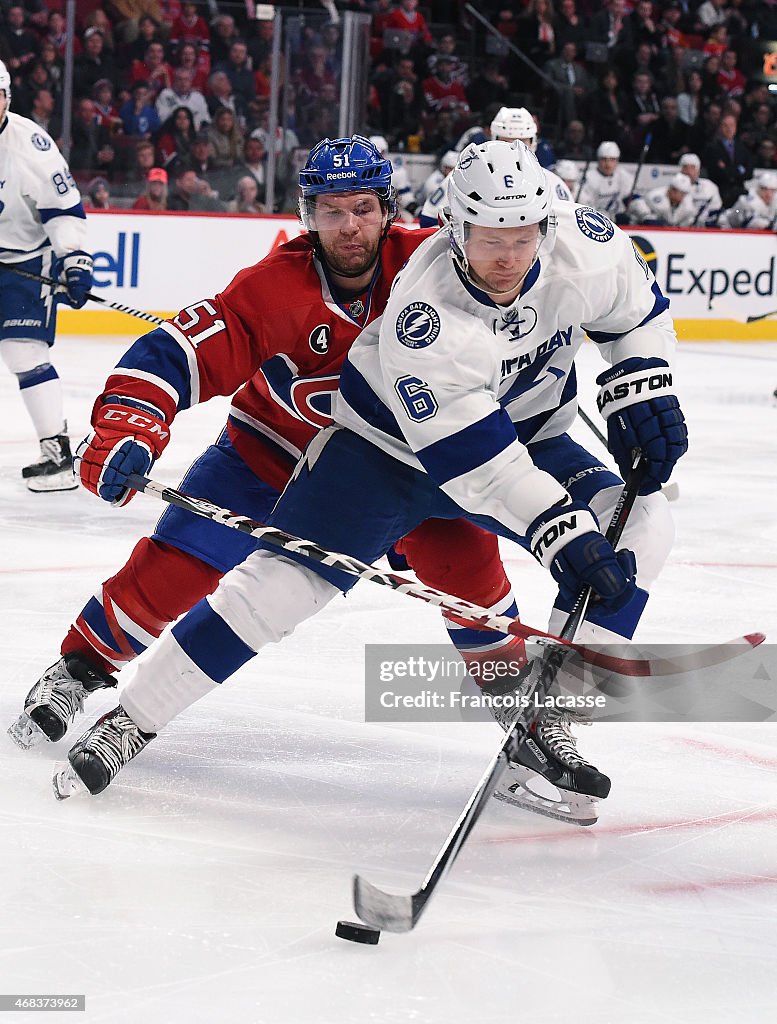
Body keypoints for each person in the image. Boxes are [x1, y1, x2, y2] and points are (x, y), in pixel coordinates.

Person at [46, 141, 686, 816]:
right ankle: (133, 717)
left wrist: (639, 383)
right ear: (454, 229)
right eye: (488, 239)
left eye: (523, 237)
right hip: (385, 454)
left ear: (548, 226)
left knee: (641, 519)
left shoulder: (585, 244)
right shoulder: (425, 315)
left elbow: (633, 312)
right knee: (279, 587)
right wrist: (561, 534)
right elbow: (482, 469)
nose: (507, 257)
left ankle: (551, 710)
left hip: (527, 434)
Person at [10, 137, 524, 782]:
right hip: (270, 456)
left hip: (405, 472)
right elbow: (175, 353)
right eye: (332, 211)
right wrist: (128, 424)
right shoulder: (274, 288)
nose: (350, 226)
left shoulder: (433, 267)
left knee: (473, 580)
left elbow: (529, 291)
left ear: (388, 209)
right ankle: (81, 670)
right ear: (307, 215)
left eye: (363, 208)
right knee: (177, 564)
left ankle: (529, 721)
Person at [0, 60, 94, 492]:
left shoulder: (32, 146)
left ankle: (56, 453)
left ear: (8, 98)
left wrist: (75, 260)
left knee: (23, 352)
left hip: (26, 260)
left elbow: (63, 211)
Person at [489, 107, 572, 202]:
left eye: (522, 142)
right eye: (506, 142)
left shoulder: (552, 183)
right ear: (494, 141)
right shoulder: (478, 179)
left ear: (533, 143)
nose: (514, 148)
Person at [577, 140, 633, 219]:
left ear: (617, 161)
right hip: (595, 219)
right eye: (604, 159)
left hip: (618, 219)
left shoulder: (624, 176)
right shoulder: (588, 178)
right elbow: (584, 205)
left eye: (612, 160)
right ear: (598, 160)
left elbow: (629, 198)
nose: (608, 164)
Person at [627, 171, 697, 226]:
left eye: (684, 193)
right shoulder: (655, 196)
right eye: (681, 193)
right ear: (672, 190)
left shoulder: (688, 203)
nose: (683, 196)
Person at [677, 152, 722, 227]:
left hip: (703, 229)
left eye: (692, 167)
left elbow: (716, 209)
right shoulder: (673, 188)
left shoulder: (709, 187)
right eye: (685, 167)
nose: (688, 171)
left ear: (698, 170)